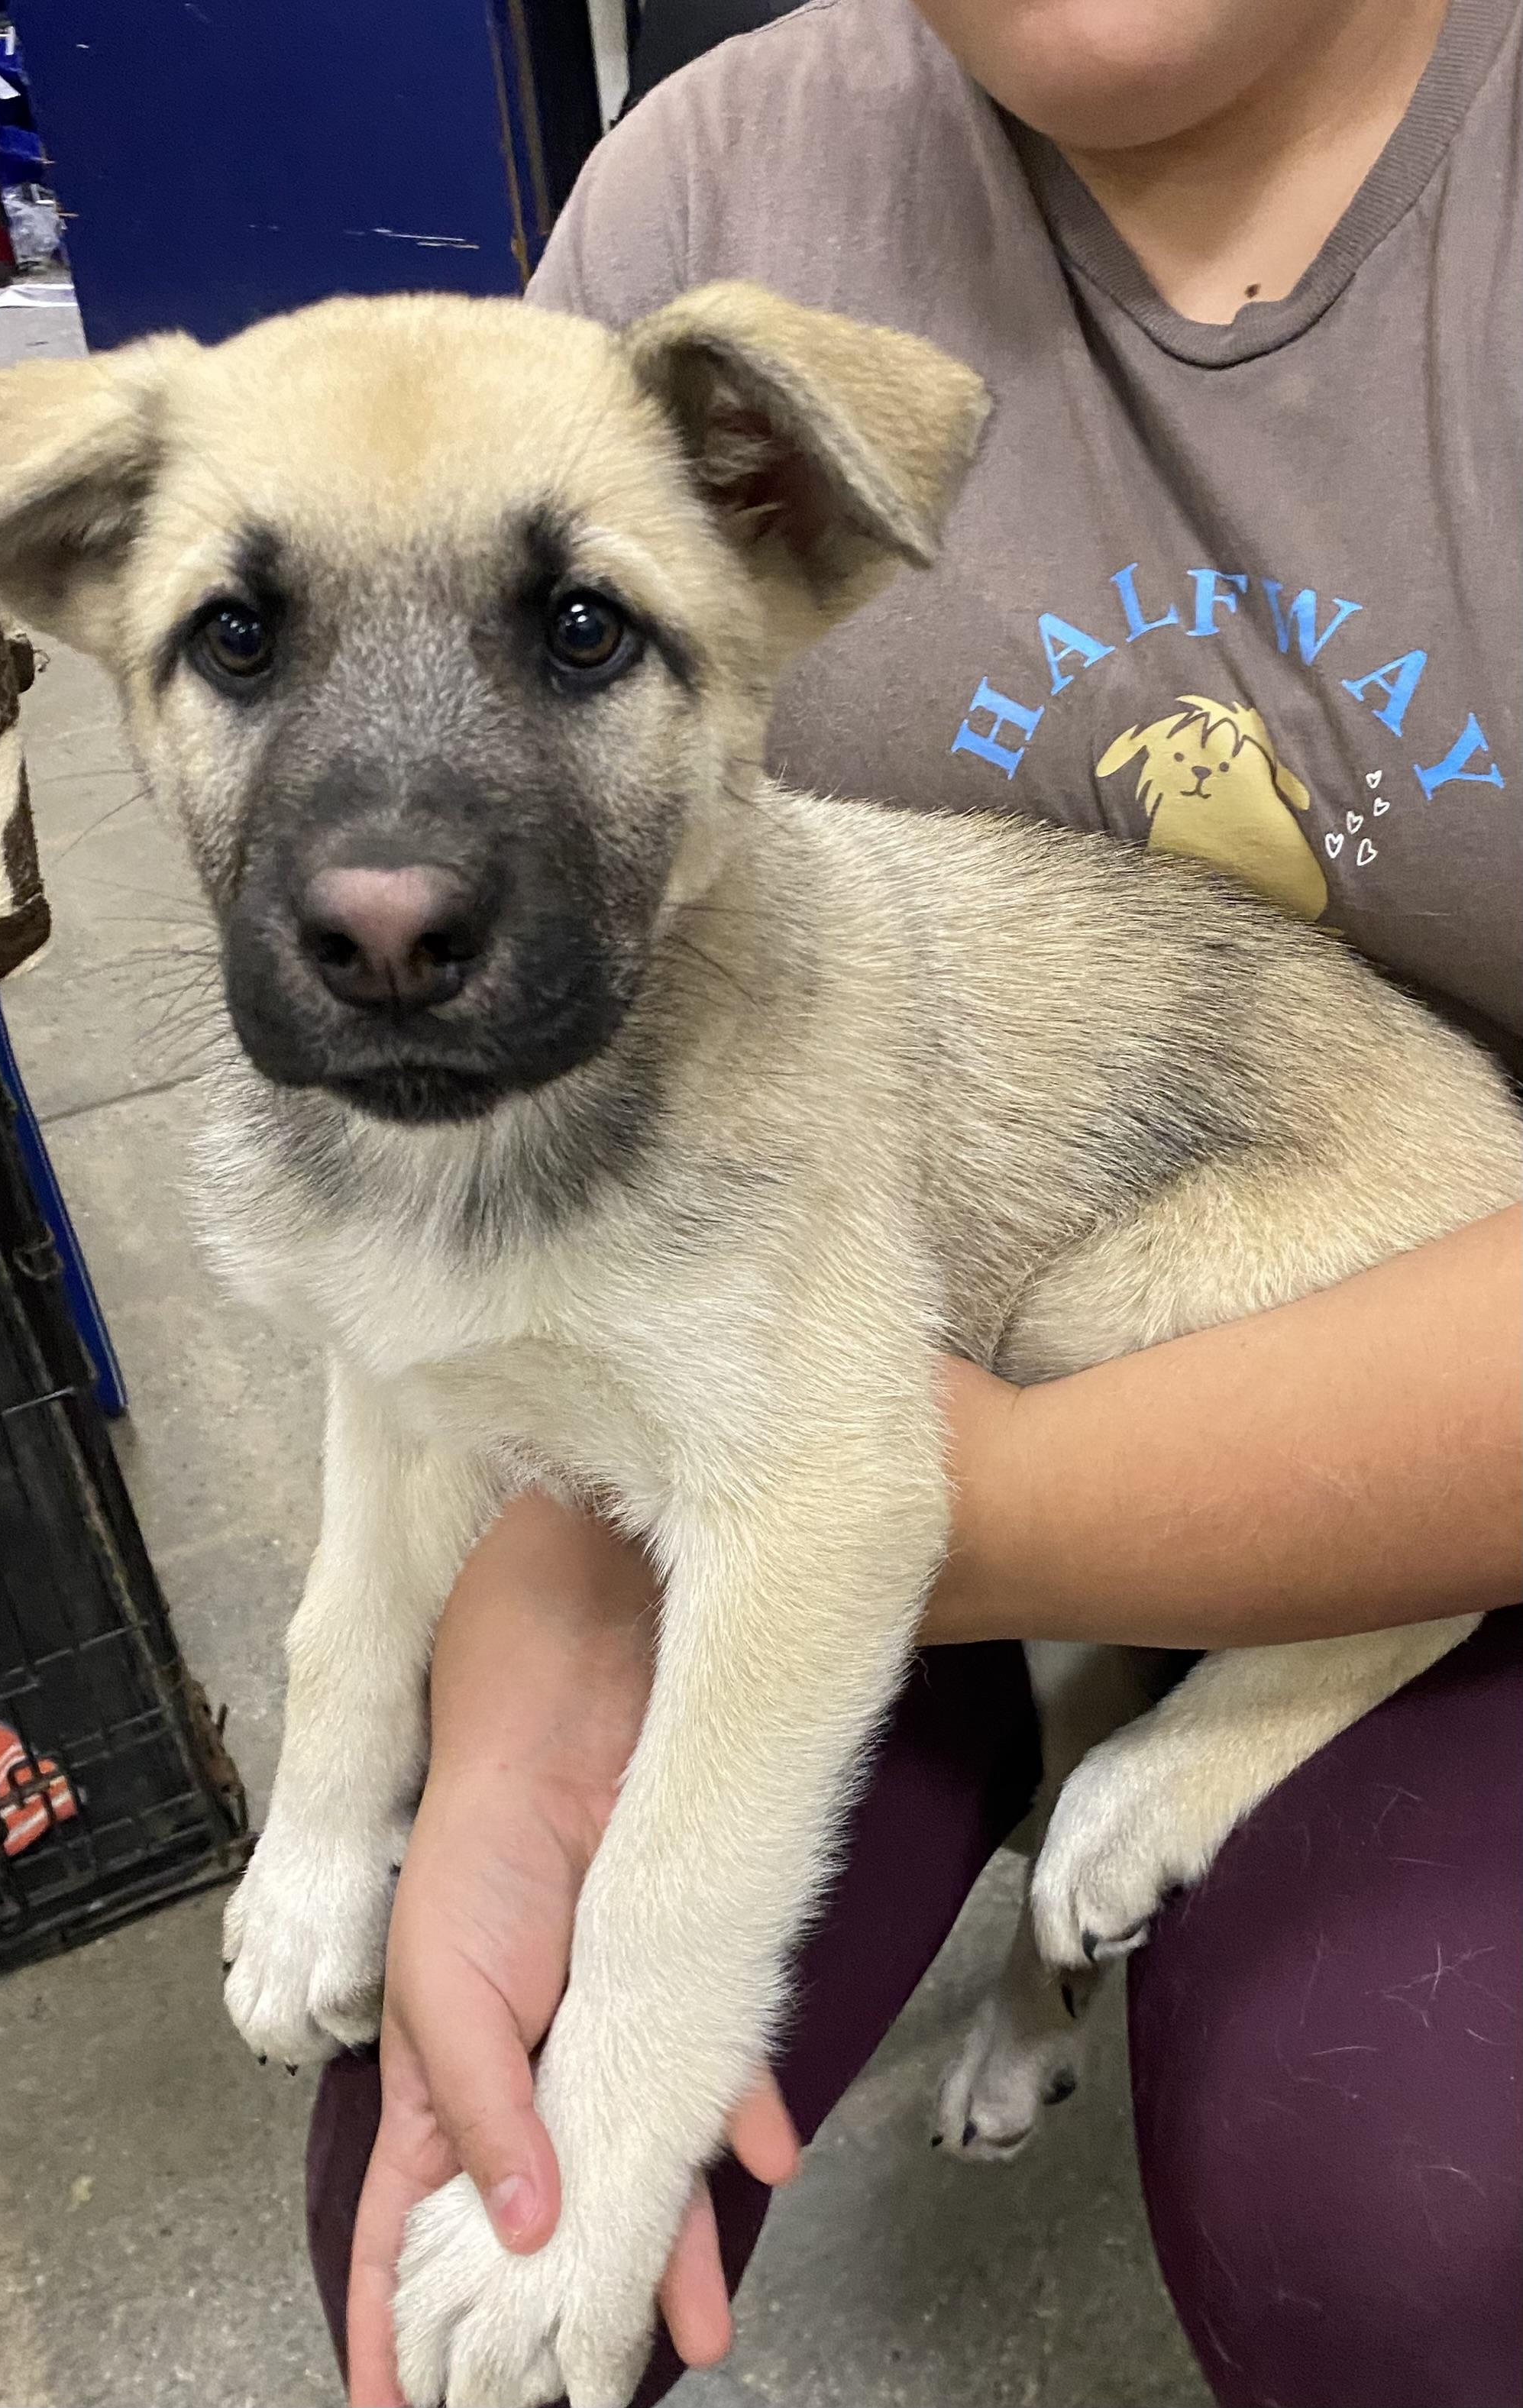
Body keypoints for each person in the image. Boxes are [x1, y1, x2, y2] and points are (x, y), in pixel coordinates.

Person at [306, 3, 1523, 2402]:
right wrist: (522, 1659)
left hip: (1397, 1326)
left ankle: (1196, 1754)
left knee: (1392, 2185)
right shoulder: (711, 182)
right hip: (852, 1311)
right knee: (455, 2155)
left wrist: (928, 1515)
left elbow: (854, 1481)